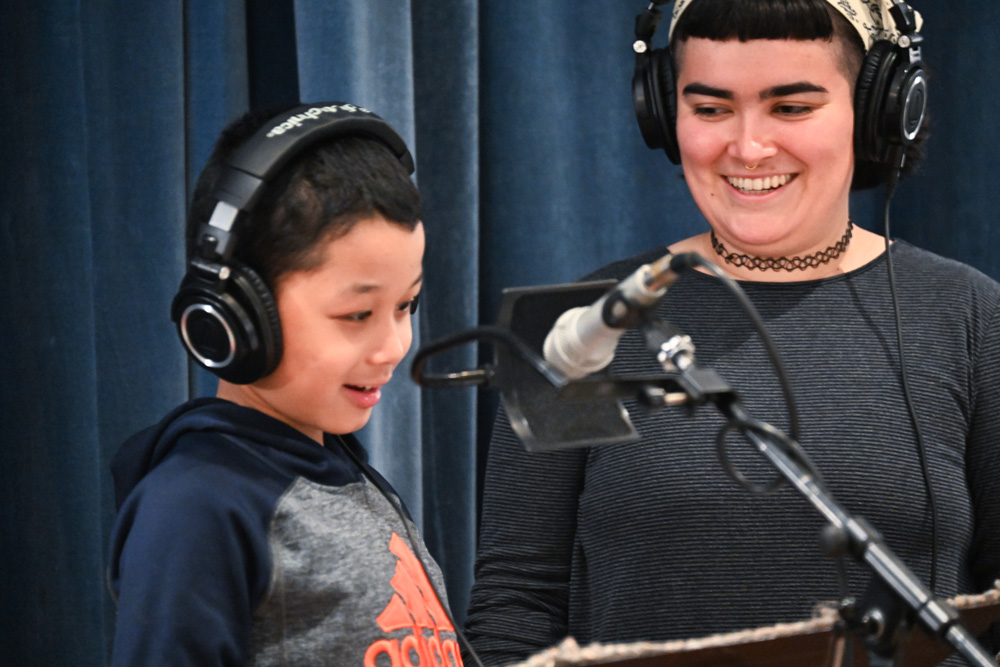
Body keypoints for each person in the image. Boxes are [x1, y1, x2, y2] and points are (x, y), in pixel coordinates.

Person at [465, 1, 1000, 665]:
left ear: (876, 112)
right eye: (711, 108)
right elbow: (515, 609)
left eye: (791, 107)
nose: (748, 148)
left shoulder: (973, 317)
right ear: (665, 114)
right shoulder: (578, 324)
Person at [107, 102, 465, 666]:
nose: (394, 346)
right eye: (357, 315)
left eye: (406, 305)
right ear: (234, 317)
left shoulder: (346, 478)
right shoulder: (195, 508)